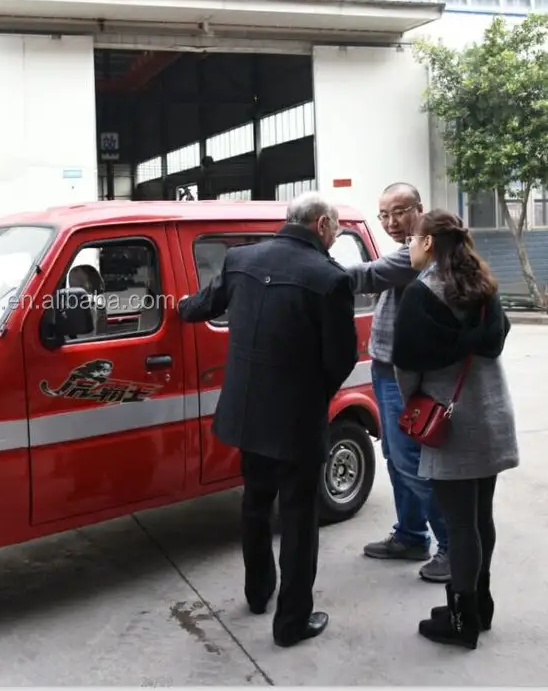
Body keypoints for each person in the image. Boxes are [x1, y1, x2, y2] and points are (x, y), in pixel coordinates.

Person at [177, 192, 358, 648]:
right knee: (298, 518)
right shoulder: (329, 278)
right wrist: (312, 396)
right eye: (335, 229)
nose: (336, 237)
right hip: (296, 420)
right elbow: (341, 359)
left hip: (246, 412)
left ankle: (258, 594)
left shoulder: (241, 259)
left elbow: (205, 305)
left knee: (256, 504)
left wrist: (176, 307)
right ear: (320, 225)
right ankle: (291, 622)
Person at [391, 209, 518, 650]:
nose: (408, 246)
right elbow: (498, 338)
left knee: (459, 524)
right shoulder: (484, 286)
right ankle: (479, 606)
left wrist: (412, 405)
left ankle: (462, 621)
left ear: (428, 243)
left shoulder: (422, 294)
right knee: (481, 517)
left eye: (412, 239)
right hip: (492, 415)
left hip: (453, 422)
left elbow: (405, 365)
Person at [347, 182, 450, 583]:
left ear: (418, 209)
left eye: (399, 211)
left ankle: (451, 547)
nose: (391, 222)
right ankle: (410, 535)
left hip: (406, 375)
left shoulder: (421, 250)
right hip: (385, 367)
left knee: (410, 460)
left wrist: (314, 269)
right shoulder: (408, 246)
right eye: (384, 215)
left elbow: (369, 275)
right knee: (394, 455)